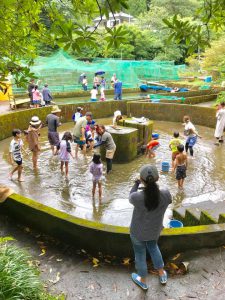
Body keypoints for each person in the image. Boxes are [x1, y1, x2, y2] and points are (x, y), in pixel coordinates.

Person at [129, 164, 171, 290]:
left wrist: (136, 184)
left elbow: (131, 196)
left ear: (142, 180)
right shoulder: (166, 194)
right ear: (157, 178)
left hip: (138, 232)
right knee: (153, 247)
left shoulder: (137, 197)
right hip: (154, 231)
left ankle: (142, 280)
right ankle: (162, 273)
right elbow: (164, 199)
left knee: (140, 255)